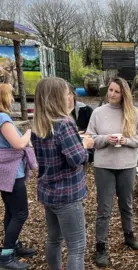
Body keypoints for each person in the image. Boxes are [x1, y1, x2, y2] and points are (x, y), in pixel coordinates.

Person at [31, 77, 94, 270]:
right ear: (57, 96)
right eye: (67, 93)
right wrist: (85, 145)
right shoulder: (64, 123)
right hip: (67, 195)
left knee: (54, 239)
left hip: (48, 192)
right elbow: (76, 159)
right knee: (76, 247)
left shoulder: (39, 123)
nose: (70, 97)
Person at [86, 77, 138, 268]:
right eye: (110, 90)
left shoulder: (134, 113)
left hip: (127, 165)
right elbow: (90, 138)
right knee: (104, 208)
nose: (112, 94)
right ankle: (101, 246)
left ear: (124, 94)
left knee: (127, 204)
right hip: (104, 166)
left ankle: (129, 236)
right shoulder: (98, 112)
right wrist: (106, 139)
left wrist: (126, 141)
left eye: (116, 91)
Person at [0, 83, 36, 270]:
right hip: (12, 174)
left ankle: (12, 246)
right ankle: (6, 257)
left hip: (6, 173)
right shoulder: (3, 118)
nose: (13, 98)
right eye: (11, 95)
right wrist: (28, 132)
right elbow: (18, 144)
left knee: (11, 212)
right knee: (21, 213)